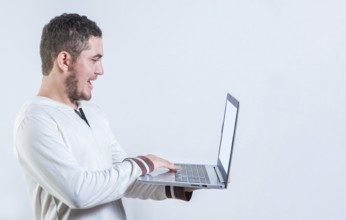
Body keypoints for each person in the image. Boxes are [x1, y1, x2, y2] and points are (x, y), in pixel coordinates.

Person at [13, 13, 192, 220]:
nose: (100, 70)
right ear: (65, 60)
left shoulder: (94, 114)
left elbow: (123, 179)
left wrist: (178, 186)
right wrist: (145, 162)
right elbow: (78, 193)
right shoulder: (34, 121)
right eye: (94, 60)